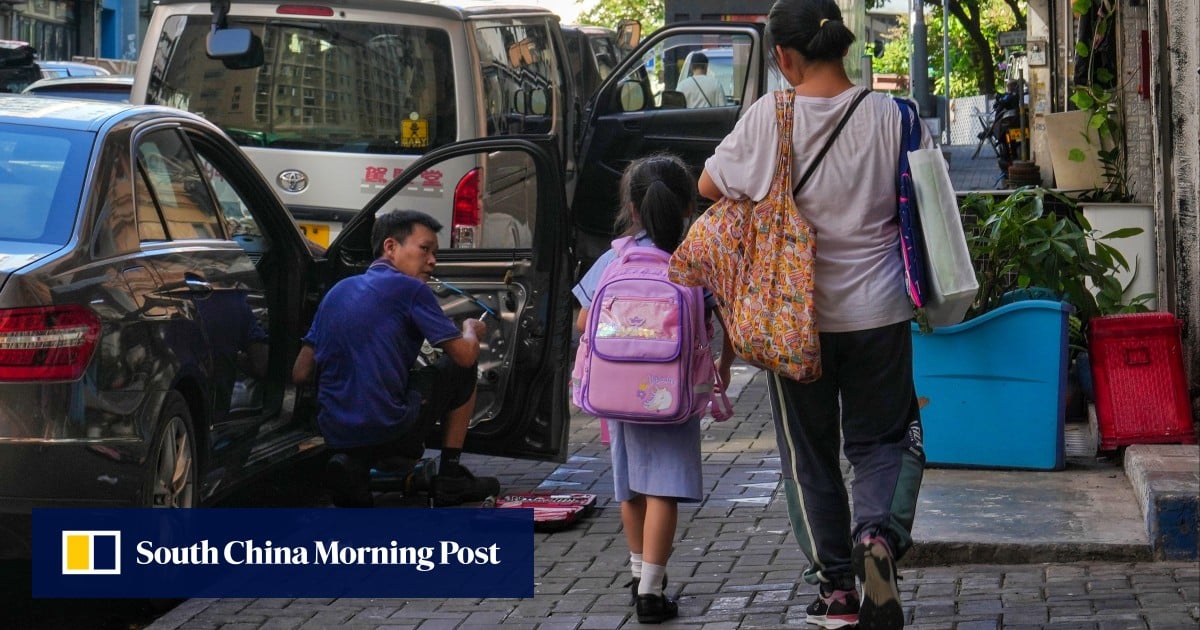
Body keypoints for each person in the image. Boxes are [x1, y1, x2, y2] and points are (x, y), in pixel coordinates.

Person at [697, 1, 929, 628]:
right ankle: (876, 536)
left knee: (811, 453)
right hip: (879, 310)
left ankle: (835, 589)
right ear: (844, 45)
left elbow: (708, 187)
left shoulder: (768, 118)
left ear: (783, 57)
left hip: (791, 318)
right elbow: (927, 202)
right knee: (884, 440)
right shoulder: (896, 116)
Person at [573, 155, 734, 624]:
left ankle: (637, 571)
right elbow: (724, 323)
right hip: (672, 394)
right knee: (663, 488)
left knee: (630, 489)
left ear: (632, 206)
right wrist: (723, 364)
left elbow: (584, 320)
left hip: (616, 395)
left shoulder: (614, 257)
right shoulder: (693, 258)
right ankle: (651, 592)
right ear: (687, 207)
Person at [292, 209, 500, 508]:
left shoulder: (338, 291)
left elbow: (300, 372)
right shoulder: (411, 288)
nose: (432, 261)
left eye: (435, 253)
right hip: (390, 429)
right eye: (425, 249)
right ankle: (450, 477)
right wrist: (469, 329)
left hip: (336, 432)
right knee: (459, 369)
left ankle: (353, 466)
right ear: (390, 247)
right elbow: (465, 357)